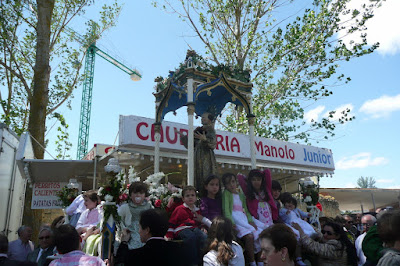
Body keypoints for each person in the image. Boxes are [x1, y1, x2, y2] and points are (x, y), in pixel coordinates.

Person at [115, 209, 188, 266]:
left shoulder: (137, 255)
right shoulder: (179, 251)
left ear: (147, 230)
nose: (139, 231)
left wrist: (124, 242)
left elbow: (121, 262)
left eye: (140, 227)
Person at [222, 173, 260, 266]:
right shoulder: (226, 194)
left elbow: (246, 210)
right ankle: (252, 262)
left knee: (259, 234)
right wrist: (231, 222)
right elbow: (226, 210)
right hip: (236, 221)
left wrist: (250, 220)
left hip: (244, 220)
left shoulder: (241, 195)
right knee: (250, 237)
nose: (231, 185)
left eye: (233, 182)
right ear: (225, 185)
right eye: (228, 183)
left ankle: (260, 261)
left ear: (236, 182)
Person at [166, 186, 209, 264]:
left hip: (194, 228)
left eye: (192, 195)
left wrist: (203, 227)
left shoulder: (197, 210)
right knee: (190, 237)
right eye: (187, 196)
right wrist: (169, 234)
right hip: (182, 229)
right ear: (183, 199)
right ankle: (193, 262)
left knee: (203, 237)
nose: (190, 198)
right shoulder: (179, 209)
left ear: (196, 198)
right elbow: (172, 222)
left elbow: (199, 222)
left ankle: (203, 261)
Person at [178, 112, 217, 192]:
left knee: (205, 175)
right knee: (197, 174)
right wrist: (184, 137)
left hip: (206, 156)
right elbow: (191, 144)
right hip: (197, 156)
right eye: (202, 117)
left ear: (209, 120)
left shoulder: (210, 130)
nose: (202, 119)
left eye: (204, 118)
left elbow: (213, 143)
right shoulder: (198, 130)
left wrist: (205, 139)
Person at [293, 221, 357, 266]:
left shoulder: (336, 247)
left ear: (337, 236)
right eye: (323, 232)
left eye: (329, 233)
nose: (325, 235)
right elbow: (320, 235)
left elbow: (312, 246)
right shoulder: (337, 243)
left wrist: (300, 230)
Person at [117, 181, 153, 249]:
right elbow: (118, 220)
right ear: (130, 195)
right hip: (129, 235)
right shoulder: (125, 207)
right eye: (135, 193)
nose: (138, 195)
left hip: (144, 235)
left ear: (145, 195)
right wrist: (123, 229)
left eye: (141, 193)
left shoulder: (149, 207)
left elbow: (153, 220)